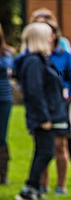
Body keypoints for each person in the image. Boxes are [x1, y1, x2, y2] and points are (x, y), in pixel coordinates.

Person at [14, 23, 68, 200]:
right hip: (42, 116)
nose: (52, 38)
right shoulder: (34, 62)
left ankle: (34, 187)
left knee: (44, 151)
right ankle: (29, 187)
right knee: (45, 152)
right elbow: (35, 92)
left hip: (49, 113)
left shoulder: (42, 60)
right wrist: (44, 117)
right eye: (49, 35)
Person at [30, 9, 71, 182]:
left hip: (61, 101)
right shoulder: (34, 57)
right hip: (42, 103)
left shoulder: (63, 54)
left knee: (62, 142)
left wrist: (70, 96)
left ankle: (62, 184)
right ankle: (43, 185)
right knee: (43, 146)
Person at [0, 24, 14, 186]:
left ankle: (2, 174)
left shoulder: (7, 53)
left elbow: (5, 66)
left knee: (1, 137)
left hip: (3, 99)